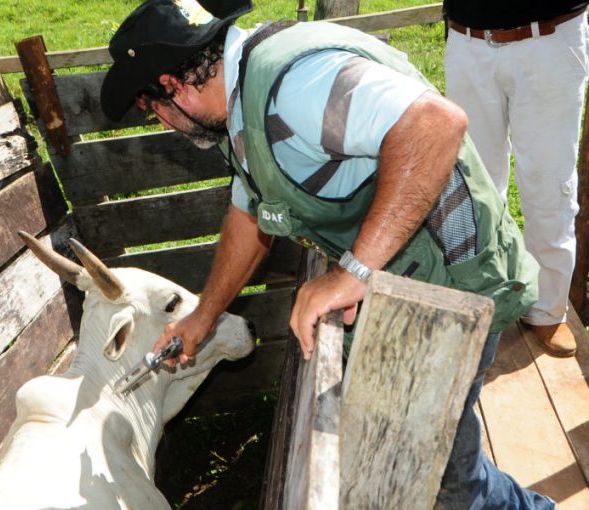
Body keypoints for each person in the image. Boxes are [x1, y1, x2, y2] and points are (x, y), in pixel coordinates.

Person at [100, 0, 555, 507]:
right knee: (436, 455)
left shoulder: (293, 86)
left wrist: (353, 271)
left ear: (172, 86)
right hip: (409, 285)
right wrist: (202, 318)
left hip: (455, 285)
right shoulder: (241, 104)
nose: (164, 123)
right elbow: (248, 216)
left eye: (152, 109)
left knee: (443, 477)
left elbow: (435, 124)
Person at [443, 1, 588, 358]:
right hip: (468, 38)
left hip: (550, 37)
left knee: (550, 183)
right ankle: (482, 298)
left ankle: (547, 310)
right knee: (471, 185)